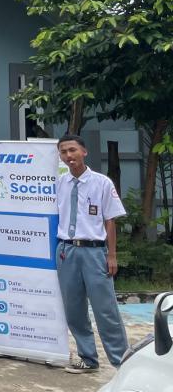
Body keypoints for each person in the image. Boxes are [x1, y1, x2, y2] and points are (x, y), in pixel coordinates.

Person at [55, 134, 130, 373]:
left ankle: (121, 361)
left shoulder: (102, 183)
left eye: (73, 150)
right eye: (64, 152)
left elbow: (110, 220)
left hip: (94, 252)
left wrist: (112, 255)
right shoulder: (60, 183)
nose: (69, 155)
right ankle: (88, 358)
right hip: (66, 250)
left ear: (84, 152)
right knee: (74, 309)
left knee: (105, 309)